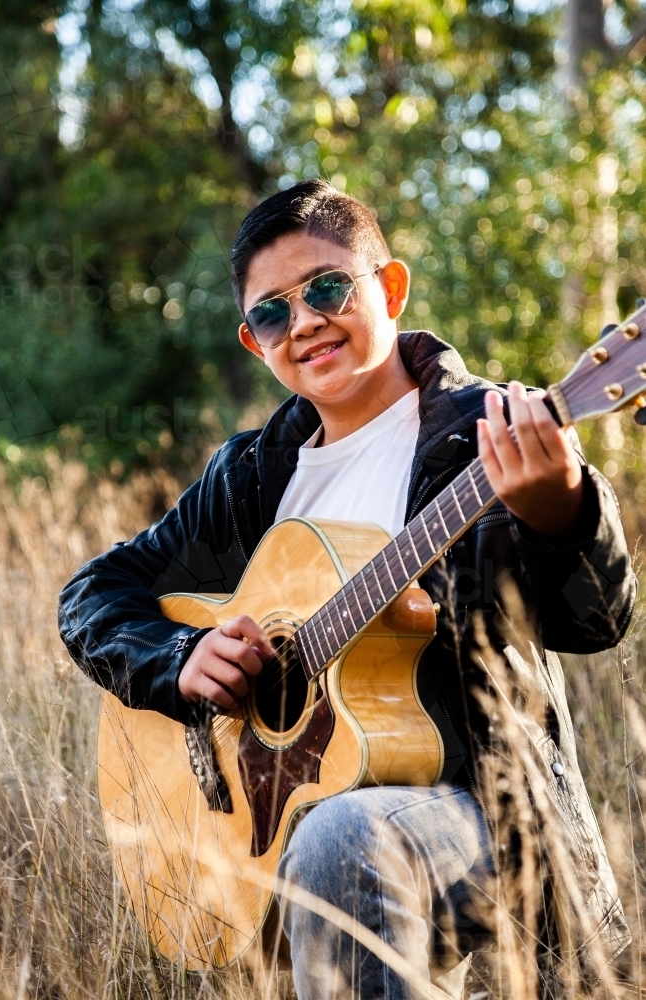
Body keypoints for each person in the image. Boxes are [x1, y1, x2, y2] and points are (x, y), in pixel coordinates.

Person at [59, 179, 635, 1000]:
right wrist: (179, 656)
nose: (304, 323)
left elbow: (594, 622)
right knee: (332, 836)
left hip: (485, 814)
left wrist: (562, 511)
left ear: (389, 287)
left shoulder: (482, 434)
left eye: (327, 288)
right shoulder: (252, 476)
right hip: (294, 826)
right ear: (253, 342)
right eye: (272, 313)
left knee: (342, 836)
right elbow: (93, 592)